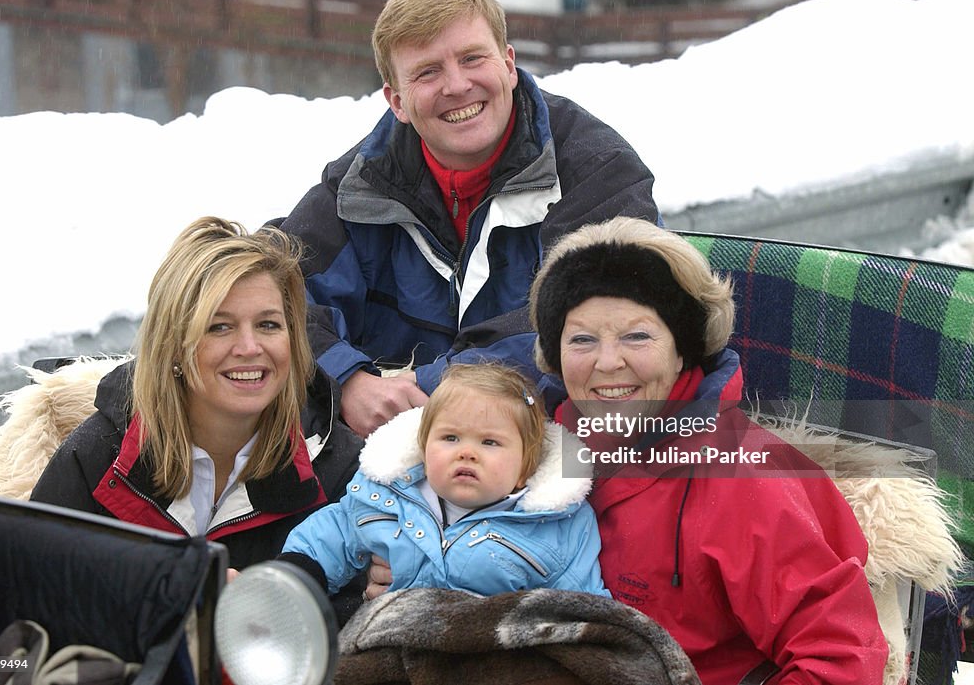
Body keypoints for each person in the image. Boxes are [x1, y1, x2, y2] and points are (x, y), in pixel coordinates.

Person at [368, 217, 890, 683]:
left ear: (684, 347)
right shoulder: (533, 443)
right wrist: (414, 560)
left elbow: (841, 657)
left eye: (637, 336)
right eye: (582, 340)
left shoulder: (744, 480)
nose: (608, 362)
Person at [274, 0, 658, 438]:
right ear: (396, 100)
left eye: (472, 58)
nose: (457, 86)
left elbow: (599, 324)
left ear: (509, 64)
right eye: (428, 72)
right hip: (396, 455)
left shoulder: (598, 170)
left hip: (562, 443)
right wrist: (347, 380)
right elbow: (273, 292)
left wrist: (434, 386)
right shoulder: (358, 187)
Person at [30, 216, 363, 583]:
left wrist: (267, 608)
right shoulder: (95, 458)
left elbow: (357, 612)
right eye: (219, 326)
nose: (250, 348)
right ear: (172, 347)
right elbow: (27, 596)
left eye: (269, 325)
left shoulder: (340, 470)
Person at [279, 362, 609, 598]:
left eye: (489, 442)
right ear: (424, 446)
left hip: (494, 660)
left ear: (525, 465)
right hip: (390, 646)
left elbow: (584, 607)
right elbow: (331, 534)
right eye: (450, 438)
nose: (467, 453)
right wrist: (295, 578)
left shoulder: (555, 525)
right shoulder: (385, 496)